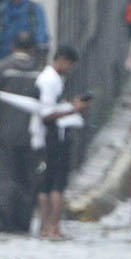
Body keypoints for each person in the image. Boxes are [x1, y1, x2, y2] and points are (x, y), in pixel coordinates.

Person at [0, 30, 45, 232]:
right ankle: (24, 222)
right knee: (27, 178)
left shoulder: (1, 69)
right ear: (33, 49)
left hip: (4, 134)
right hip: (32, 136)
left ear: (13, 47)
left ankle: (6, 221)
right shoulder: (40, 71)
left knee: (5, 177)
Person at [34, 46, 89, 239]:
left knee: (46, 184)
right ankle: (51, 228)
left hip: (49, 138)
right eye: (70, 65)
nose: (70, 69)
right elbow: (48, 114)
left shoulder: (51, 79)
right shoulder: (50, 81)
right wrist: (74, 109)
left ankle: (46, 228)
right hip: (53, 138)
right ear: (63, 60)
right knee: (56, 185)